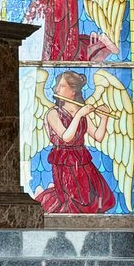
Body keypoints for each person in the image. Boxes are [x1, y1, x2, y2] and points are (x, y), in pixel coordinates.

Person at [35, 71, 116, 214]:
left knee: (94, 197)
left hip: (82, 161)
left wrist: (104, 119)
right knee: (73, 199)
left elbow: (98, 136)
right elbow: (67, 137)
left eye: (61, 86)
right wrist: (79, 115)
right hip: (64, 162)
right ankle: (46, 196)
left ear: (73, 91)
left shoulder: (81, 112)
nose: (56, 89)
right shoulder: (53, 113)